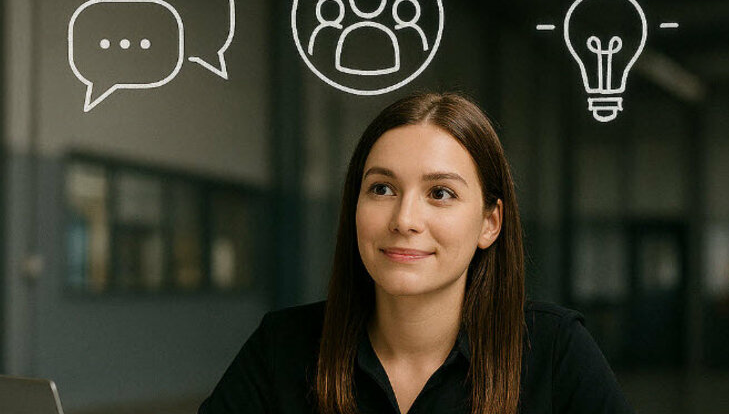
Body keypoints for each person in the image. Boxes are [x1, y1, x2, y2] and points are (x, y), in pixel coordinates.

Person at [198, 92, 634, 414]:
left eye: (440, 193)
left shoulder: (554, 352)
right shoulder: (283, 347)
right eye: (381, 188)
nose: (404, 219)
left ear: (490, 223)